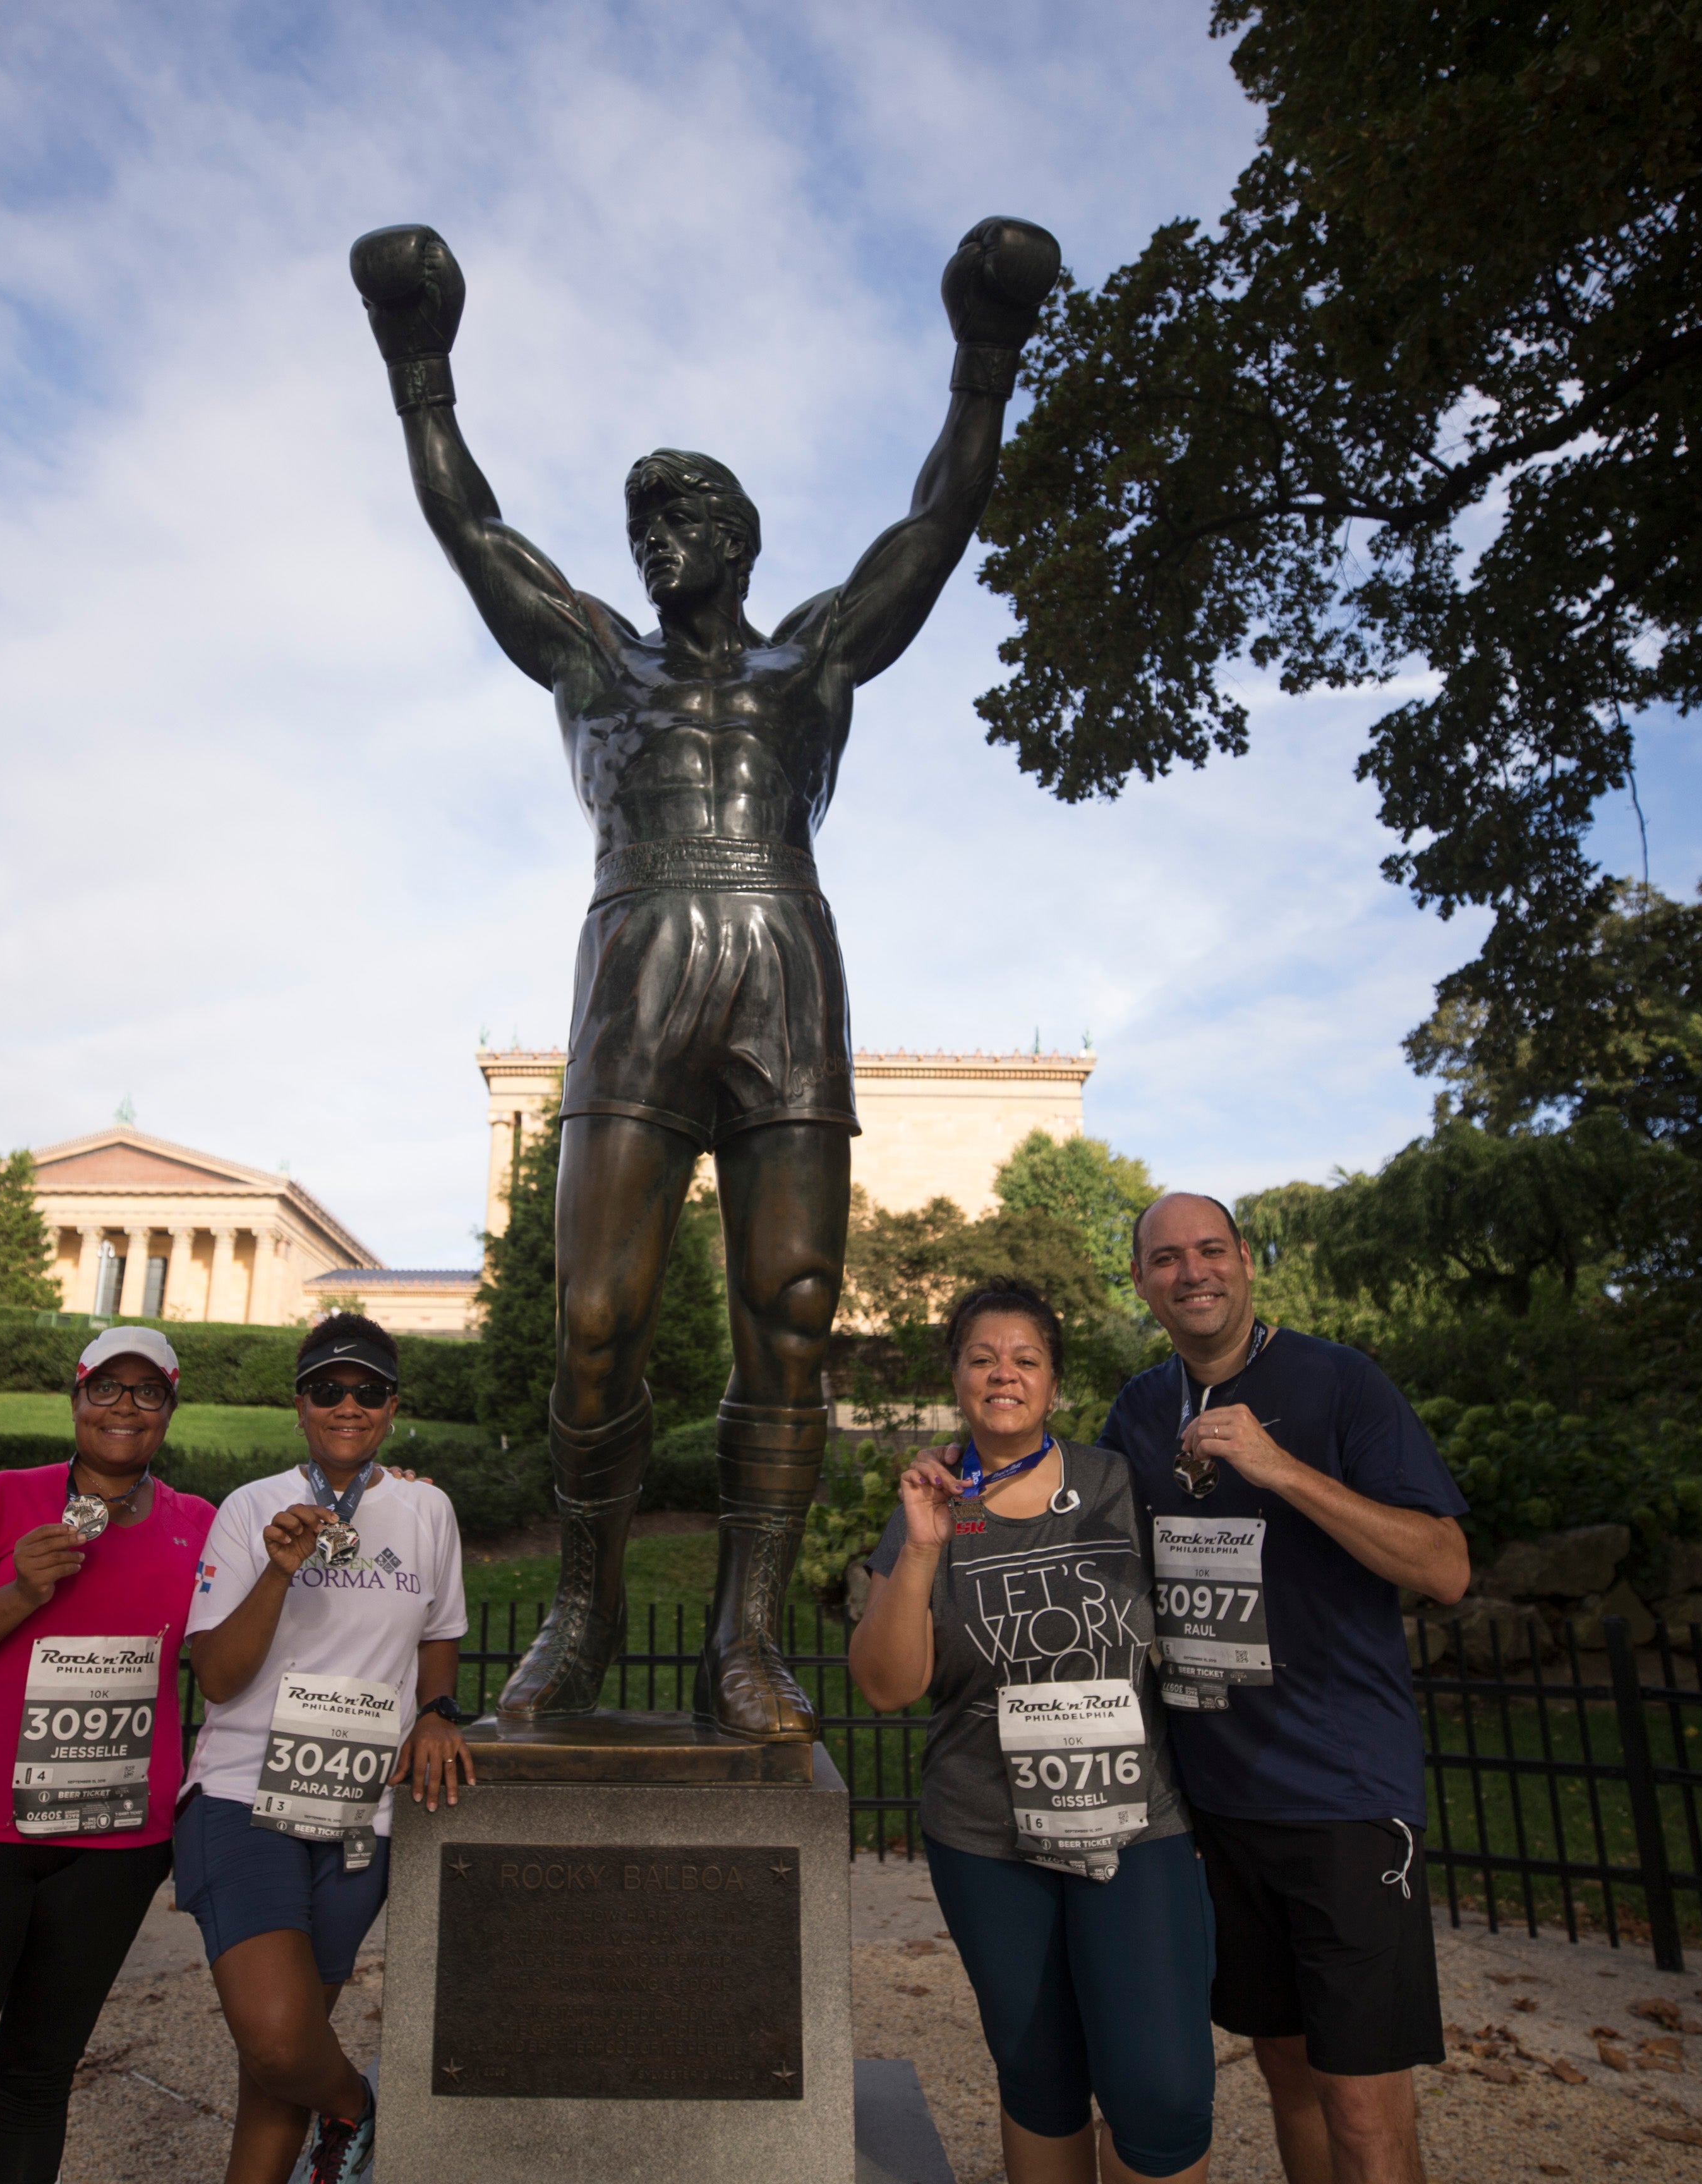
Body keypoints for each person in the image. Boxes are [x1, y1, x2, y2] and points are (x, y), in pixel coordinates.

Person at [349, 214, 1061, 1736]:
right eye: (641, 531)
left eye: (680, 526)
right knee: (595, 1309)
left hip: (786, 963)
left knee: (791, 1306)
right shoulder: (593, 659)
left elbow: (936, 527)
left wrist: (981, 357)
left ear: (737, 542)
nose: (655, 548)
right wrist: (422, 368)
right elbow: (471, 530)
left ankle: (746, 1641)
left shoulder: (816, 661)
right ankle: (583, 1620)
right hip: (641, 953)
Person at [1099, 1193, 1474, 2184]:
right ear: (1142, 1282)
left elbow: (1443, 1566)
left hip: (1342, 1799)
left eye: (1211, 1251)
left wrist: (1282, 1468)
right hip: (1216, 1802)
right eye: (1167, 1258)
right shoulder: (1138, 1410)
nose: (1193, 1274)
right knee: (1292, 2078)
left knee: (1362, 2104)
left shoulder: (1339, 1381)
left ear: (1249, 1262)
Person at [849, 1281, 1214, 2184]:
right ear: (958, 1380)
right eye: (982, 1358)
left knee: (1161, 2090)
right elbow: (888, 1685)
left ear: (1053, 1383)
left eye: (1025, 1358)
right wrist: (928, 1545)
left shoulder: (1116, 1484)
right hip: (987, 1832)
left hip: (1136, 1824)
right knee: (1041, 2078)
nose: (1002, 1373)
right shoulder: (930, 1502)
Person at [0, 1325, 215, 2184]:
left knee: (35, 2083)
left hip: (113, 1844)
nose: (125, 1408)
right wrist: (21, 1590)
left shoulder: (202, 1528)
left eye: (148, 1392)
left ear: (169, 1411)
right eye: (106, 1387)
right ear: (75, 1400)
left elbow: (275, 1624)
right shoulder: (1, 1500)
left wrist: (381, 1500)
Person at [178, 1313, 473, 2184]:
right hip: (243, 1795)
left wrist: (438, 1712)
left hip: (359, 1808)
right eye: (328, 1389)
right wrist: (278, 1570)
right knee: (276, 2035)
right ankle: (359, 2110)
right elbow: (219, 1678)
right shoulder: (250, 1508)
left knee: (279, 2065)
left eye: (369, 1390)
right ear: (299, 1403)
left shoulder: (426, 1508)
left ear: (392, 1406)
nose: (349, 1405)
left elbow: (440, 1634)